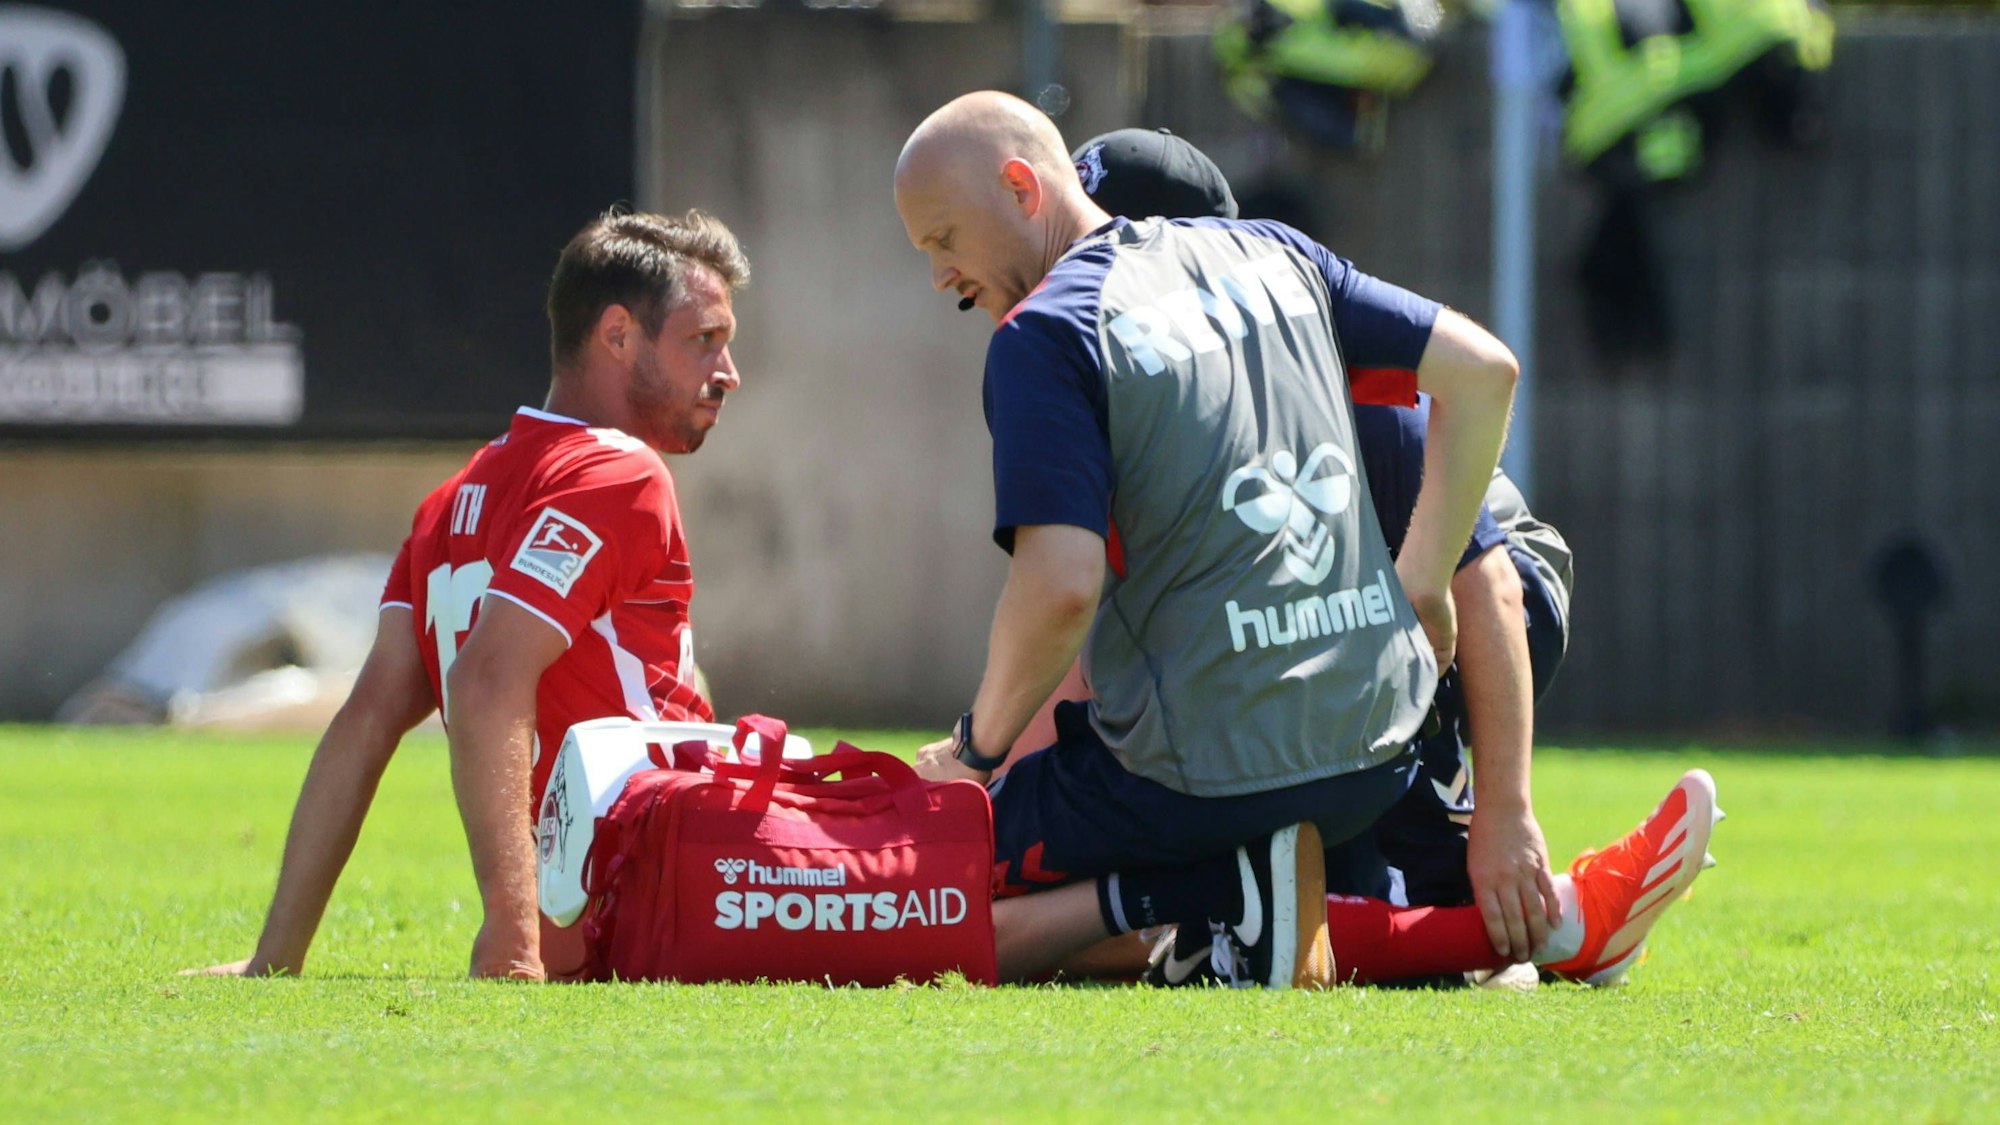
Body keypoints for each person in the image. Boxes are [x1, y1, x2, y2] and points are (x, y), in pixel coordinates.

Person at [1056, 127, 1714, 990]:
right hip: (1324, 640)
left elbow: (1484, 580)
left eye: (1100, 247)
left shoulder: (1305, 373)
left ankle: (1510, 908)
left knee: (1351, 648)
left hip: (1473, 596)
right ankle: (1546, 924)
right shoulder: (1112, 390)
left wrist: (1506, 813)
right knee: (1271, 874)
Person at [894, 90, 1522, 988]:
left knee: (925, 884)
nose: (938, 276)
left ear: (1022, 188)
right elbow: (1487, 370)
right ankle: (1288, 909)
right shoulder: (1278, 252)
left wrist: (974, 754)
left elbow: (1062, 586)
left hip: (1193, 779)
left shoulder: (1045, 330)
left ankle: (1209, 891)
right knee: (1303, 879)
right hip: (1374, 753)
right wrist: (1420, 580)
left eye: (943, 239)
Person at [188, 208, 748, 982]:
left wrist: (274, 956)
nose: (727, 371)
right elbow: (487, 680)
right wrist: (512, 938)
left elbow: (364, 722)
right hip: (669, 906)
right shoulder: (619, 472)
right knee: (910, 865)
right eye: (704, 339)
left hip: (591, 925)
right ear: (618, 335)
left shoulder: (450, 502)